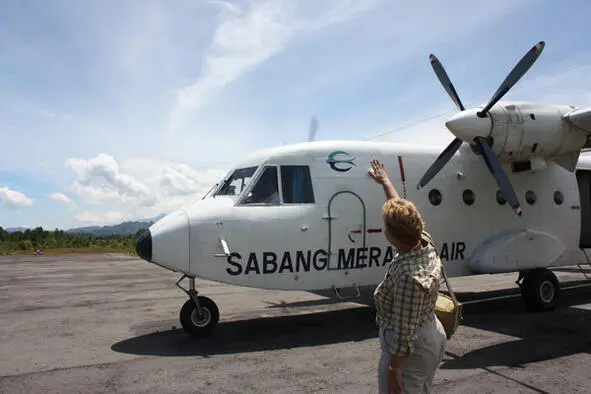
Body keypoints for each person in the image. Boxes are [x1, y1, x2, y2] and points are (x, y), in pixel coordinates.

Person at [368, 159, 447, 394]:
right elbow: (401, 213)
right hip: (429, 334)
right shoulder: (422, 240)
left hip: (412, 349)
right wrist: (385, 181)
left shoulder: (408, 277)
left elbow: (404, 332)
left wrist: (394, 371)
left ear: (392, 237)